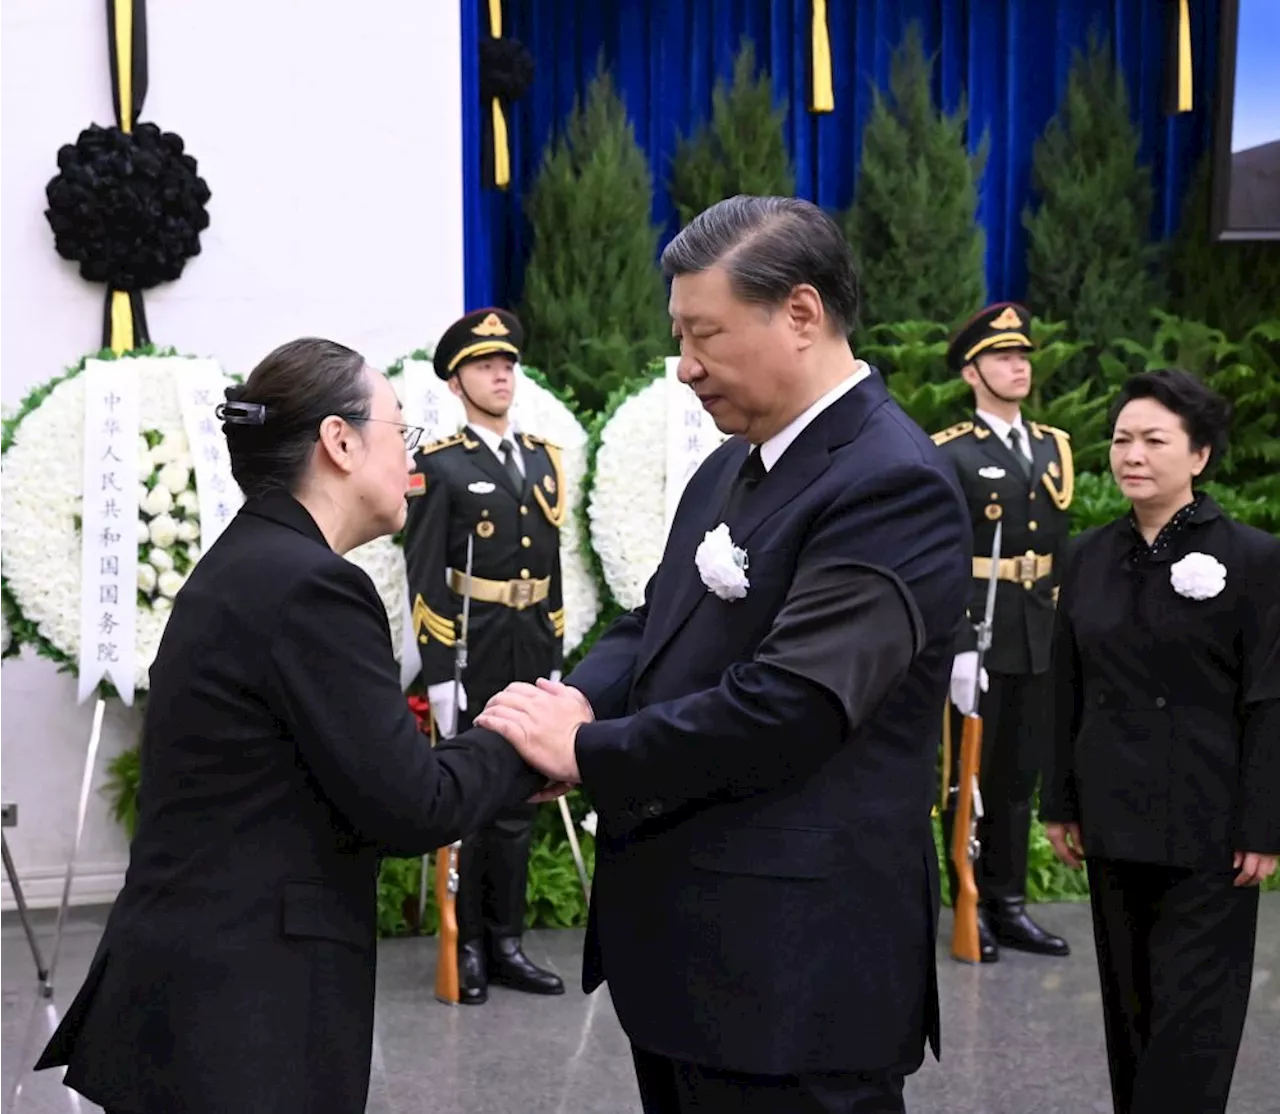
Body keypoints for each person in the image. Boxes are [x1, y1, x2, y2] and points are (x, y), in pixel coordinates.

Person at [476, 195, 973, 1114]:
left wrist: (586, 755)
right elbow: (652, 623)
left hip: (796, 981)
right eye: (678, 335)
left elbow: (794, 704)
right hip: (693, 965)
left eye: (705, 334)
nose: (685, 366)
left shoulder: (889, 481)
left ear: (801, 314)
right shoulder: (733, 462)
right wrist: (576, 705)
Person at [34, 338, 546, 1114]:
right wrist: (524, 738)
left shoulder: (252, 559)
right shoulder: (311, 586)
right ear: (340, 442)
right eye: (398, 433)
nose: (411, 462)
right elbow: (413, 806)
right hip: (243, 1014)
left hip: (200, 991)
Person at [1041, 369, 1280, 1114]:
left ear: (1199, 456)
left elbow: (1270, 697)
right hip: (1115, 815)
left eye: (1154, 440)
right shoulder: (1085, 556)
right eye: (1121, 439)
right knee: (1132, 1011)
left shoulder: (1252, 557)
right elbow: (1065, 684)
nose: (1132, 454)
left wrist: (1264, 824)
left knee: (1193, 1023)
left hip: (1209, 824)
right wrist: (1061, 802)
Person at [403, 307, 566, 1004]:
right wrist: (438, 672)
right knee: (471, 798)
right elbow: (424, 571)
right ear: (455, 380)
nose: (500, 374)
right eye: (483, 366)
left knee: (521, 797)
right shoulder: (439, 466)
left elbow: (551, 560)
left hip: (528, 638)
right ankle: (464, 942)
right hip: (471, 643)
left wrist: (555, 650)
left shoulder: (540, 455)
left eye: (507, 364)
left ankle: (506, 942)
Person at [931, 302, 1072, 962]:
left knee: (1018, 777)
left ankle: (1010, 902)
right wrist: (957, 644)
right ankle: (970, 900)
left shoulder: (1052, 447)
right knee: (970, 775)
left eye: (1023, 356)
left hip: (1036, 630)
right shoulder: (952, 453)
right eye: (1002, 357)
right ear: (971, 372)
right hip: (979, 634)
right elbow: (941, 557)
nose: (1019, 366)